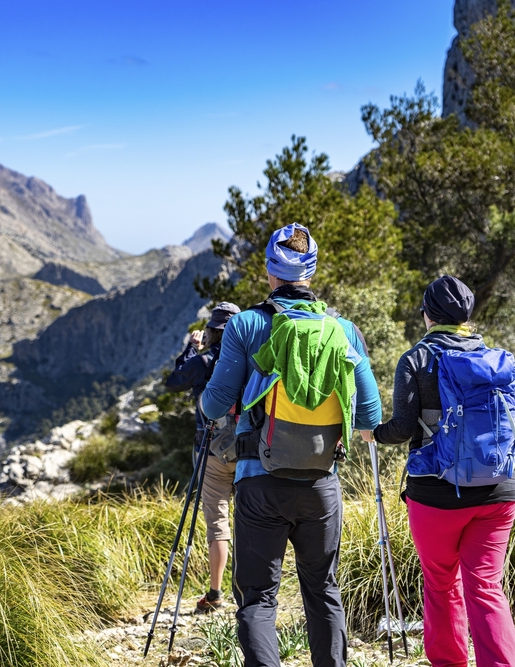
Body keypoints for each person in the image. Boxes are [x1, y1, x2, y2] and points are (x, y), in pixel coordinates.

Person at [201, 223, 382, 667]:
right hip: (322, 483)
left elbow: (213, 405)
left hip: (260, 482)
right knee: (322, 590)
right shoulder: (342, 329)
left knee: (259, 596)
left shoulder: (245, 325)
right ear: (311, 271)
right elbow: (371, 416)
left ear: (269, 272)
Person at [373, 275, 515, 667]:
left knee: (441, 583)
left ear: (428, 315)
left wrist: (374, 433)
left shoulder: (417, 358)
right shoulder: (494, 359)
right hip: (499, 489)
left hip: (437, 494)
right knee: (487, 587)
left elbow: (402, 428)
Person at [165, 301, 241, 612]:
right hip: (249, 449)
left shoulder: (204, 359)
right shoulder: (247, 360)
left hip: (211, 450)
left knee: (218, 522)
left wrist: (191, 349)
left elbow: (174, 382)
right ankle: (251, 590)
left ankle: (215, 592)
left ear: (211, 330)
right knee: (250, 519)